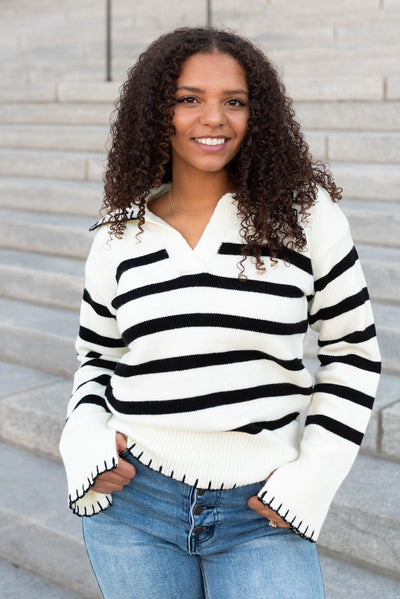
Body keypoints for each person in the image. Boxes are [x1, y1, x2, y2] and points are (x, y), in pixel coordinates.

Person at [59, 27, 381, 599]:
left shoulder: (306, 217)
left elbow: (353, 355)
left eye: (234, 101)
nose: (214, 118)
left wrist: (312, 478)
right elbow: (97, 355)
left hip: (262, 509)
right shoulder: (118, 232)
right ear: (156, 112)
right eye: (189, 99)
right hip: (135, 506)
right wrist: (83, 440)